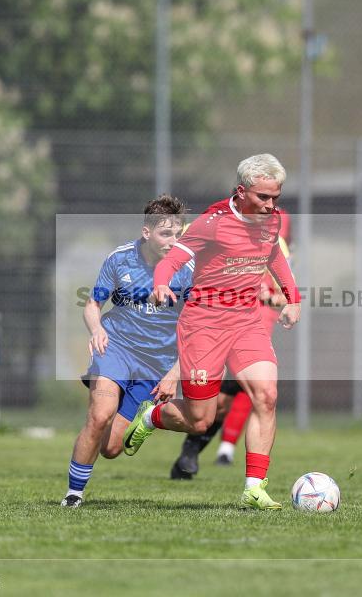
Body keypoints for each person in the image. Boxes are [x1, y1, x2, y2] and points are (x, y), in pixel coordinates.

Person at [125, 153, 301, 510]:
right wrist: (161, 284)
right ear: (241, 191)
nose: (270, 206)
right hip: (204, 326)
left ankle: (254, 487)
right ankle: (152, 416)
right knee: (199, 419)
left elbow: (274, 258)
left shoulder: (272, 222)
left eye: (275, 198)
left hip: (247, 323)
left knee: (266, 396)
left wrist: (292, 298)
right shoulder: (213, 221)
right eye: (263, 198)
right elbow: (174, 259)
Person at [60, 195, 193, 508]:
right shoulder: (120, 259)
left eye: (178, 234)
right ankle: (73, 495)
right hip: (116, 348)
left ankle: (146, 419)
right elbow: (93, 304)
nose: (173, 241)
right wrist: (97, 330)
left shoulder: (187, 270)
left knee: (111, 448)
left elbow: (194, 329)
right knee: (99, 416)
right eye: (166, 234)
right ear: (147, 232)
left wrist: (174, 371)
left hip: (155, 363)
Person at [169, 208, 293, 479]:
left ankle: (246, 480)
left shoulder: (277, 246)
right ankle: (189, 449)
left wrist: (268, 297)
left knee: (255, 398)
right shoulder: (219, 232)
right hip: (214, 330)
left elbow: (283, 296)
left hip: (251, 336)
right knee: (215, 405)